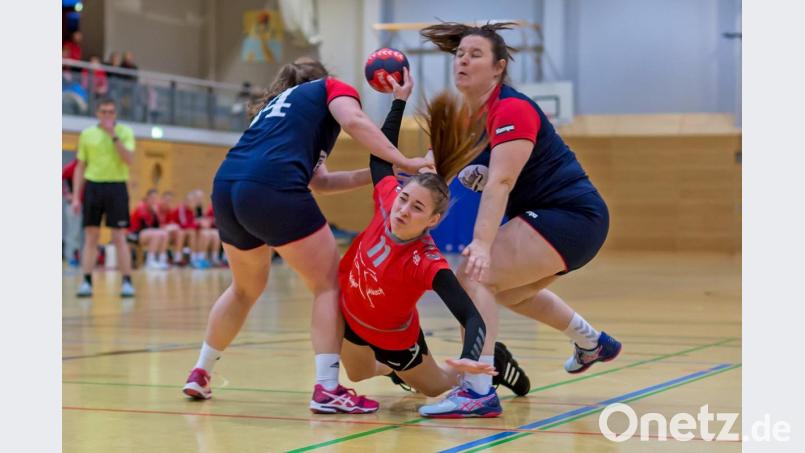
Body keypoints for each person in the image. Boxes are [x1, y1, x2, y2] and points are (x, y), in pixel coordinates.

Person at [181, 59, 431, 413]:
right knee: (329, 285)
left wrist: (382, 171)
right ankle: (328, 388)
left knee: (243, 289)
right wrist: (403, 159)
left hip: (227, 186)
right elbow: (356, 122)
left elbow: (322, 183)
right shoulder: (331, 88)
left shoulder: (275, 110)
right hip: (272, 186)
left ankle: (200, 372)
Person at [418, 22, 621, 401]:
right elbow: (435, 168)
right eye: (460, 54)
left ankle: (478, 391)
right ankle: (590, 341)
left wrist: (481, 243)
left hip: (570, 216)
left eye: (475, 54)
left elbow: (501, 183)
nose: (463, 60)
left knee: (472, 277)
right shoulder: (471, 121)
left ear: (498, 68)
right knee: (508, 293)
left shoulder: (511, 108)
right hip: (567, 224)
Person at [334, 69, 530, 418]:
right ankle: (394, 372)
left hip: (397, 340)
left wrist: (473, 356)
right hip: (353, 318)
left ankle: (496, 361)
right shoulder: (386, 201)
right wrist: (399, 102)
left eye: (418, 207)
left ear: (433, 221)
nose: (404, 209)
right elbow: (381, 159)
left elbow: (471, 315)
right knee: (358, 373)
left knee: (440, 386)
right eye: (405, 198)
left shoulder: (426, 262)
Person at [71, 98, 136, 298]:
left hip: (117, 186)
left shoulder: (125, 132)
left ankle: (126, 282)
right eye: (104, 112)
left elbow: (129, 160)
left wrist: (113, 136)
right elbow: (80, 166)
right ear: (97, 114)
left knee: (118, 236)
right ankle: (87, 282)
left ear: (115, 114)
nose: (107, 115)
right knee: (91, 236)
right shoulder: (87, 134)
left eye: (111, 112)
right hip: (93, 186)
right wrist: (75, 197)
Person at [129, 189, 170, 270]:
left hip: (145, 233)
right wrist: (154, 213)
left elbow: (156, 226)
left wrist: (156, 214)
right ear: (147, 198)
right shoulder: (141, 207)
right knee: (156, 233)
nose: (154, 200)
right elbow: (145, 226)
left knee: (164, 233)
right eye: (152, 198)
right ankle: (150, 261)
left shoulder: (153, 210)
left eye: (155, 198)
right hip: (133, 234)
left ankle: (162, 260)